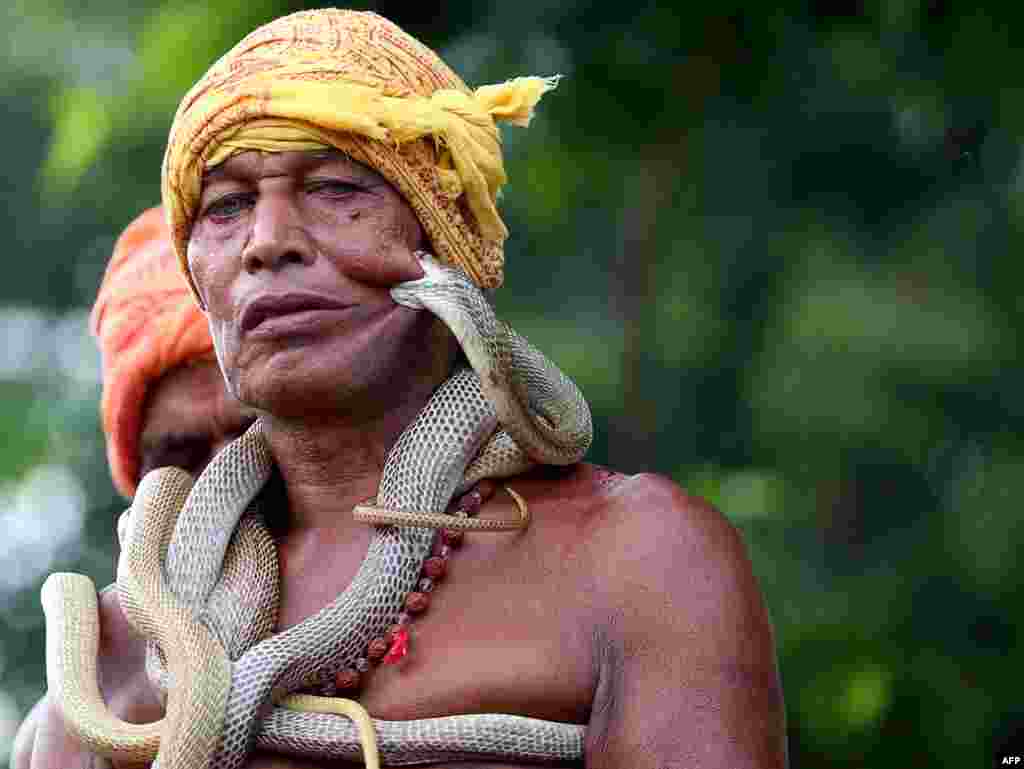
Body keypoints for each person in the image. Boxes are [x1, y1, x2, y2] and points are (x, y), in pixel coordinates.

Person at [30, 9, 787, 769]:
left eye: (334, 187)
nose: (267, 241)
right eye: (226, 207)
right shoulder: (104, 671)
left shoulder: (641, 561)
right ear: (198, 275)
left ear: (444, 235)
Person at [13, 206, 255, 769]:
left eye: (251, 434)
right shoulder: (59, 732)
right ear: (135, 480)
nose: (222, 473)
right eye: (182, 455)